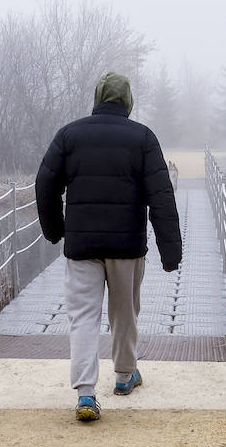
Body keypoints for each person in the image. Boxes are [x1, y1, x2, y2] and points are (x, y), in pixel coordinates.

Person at [35, 71, 183, 422]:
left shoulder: (70, 135)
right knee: (124, 311)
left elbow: (44, 182)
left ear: (97, 97)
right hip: (127, 247)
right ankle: (123, 376)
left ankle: (86, 394)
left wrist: (57, 230)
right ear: (128, 102)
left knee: (83, 316)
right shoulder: (143, 137)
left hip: (82, 244)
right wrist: (170, 252)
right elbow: (160, 196)